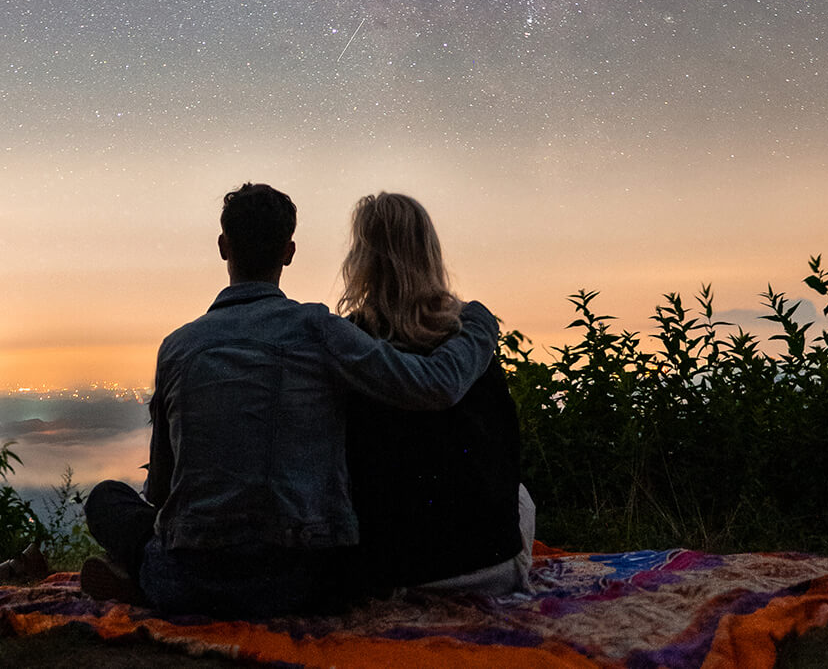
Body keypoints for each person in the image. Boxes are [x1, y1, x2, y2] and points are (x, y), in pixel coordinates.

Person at [82, 182, 500, 618]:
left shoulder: (177, 347)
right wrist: (478, 327)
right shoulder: (320, 329)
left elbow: (163, 488)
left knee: (107, 498)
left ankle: (138, 578)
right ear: (289, 251)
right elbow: (434, 384)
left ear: (224, 247)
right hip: (309, 583)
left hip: (189, 581)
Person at [339, 191, 534, 595]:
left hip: (390, 572)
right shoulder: (469, 335)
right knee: (522, 497)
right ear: (430, 252)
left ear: (361, 260)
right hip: (490, 564)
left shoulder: (351, 344)